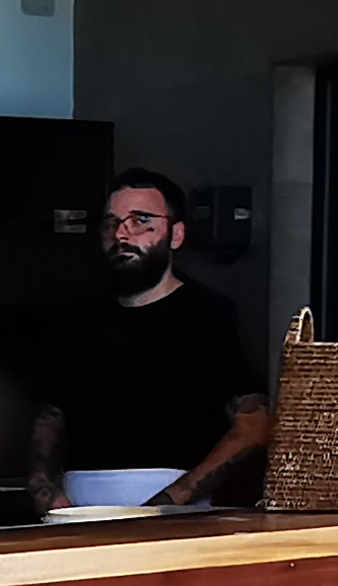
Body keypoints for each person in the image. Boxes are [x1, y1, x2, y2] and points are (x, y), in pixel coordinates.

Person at [29, 171, 268, 509]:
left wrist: (173, 499)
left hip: (179, 511)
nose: (122, 233)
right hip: (78, 510)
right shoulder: (76, 320)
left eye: (141, 221)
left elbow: (253, 427)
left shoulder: (211, 316)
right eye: (111, 223)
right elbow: (51, 416)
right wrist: (45, 490)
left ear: (176, 234)